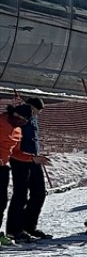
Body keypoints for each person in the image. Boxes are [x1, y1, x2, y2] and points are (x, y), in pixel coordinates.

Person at [6, 99, 51, 241]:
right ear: (32, 107)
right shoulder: (21, 115)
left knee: (39, 192)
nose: (37, 114)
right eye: (37, 110)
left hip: (34, 159)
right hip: (20, 159)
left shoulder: (33, 118)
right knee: (21, 193)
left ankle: (28, 226)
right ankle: (14, 229)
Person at [0, 105, 29, 245]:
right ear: (14, 114)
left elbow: (16, 153)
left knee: (1, 202)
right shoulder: (1, 122)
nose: (20, 122)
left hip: (3, 168)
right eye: (19, 118)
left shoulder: (18, 131)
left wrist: (33, 158)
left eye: (24, 121)